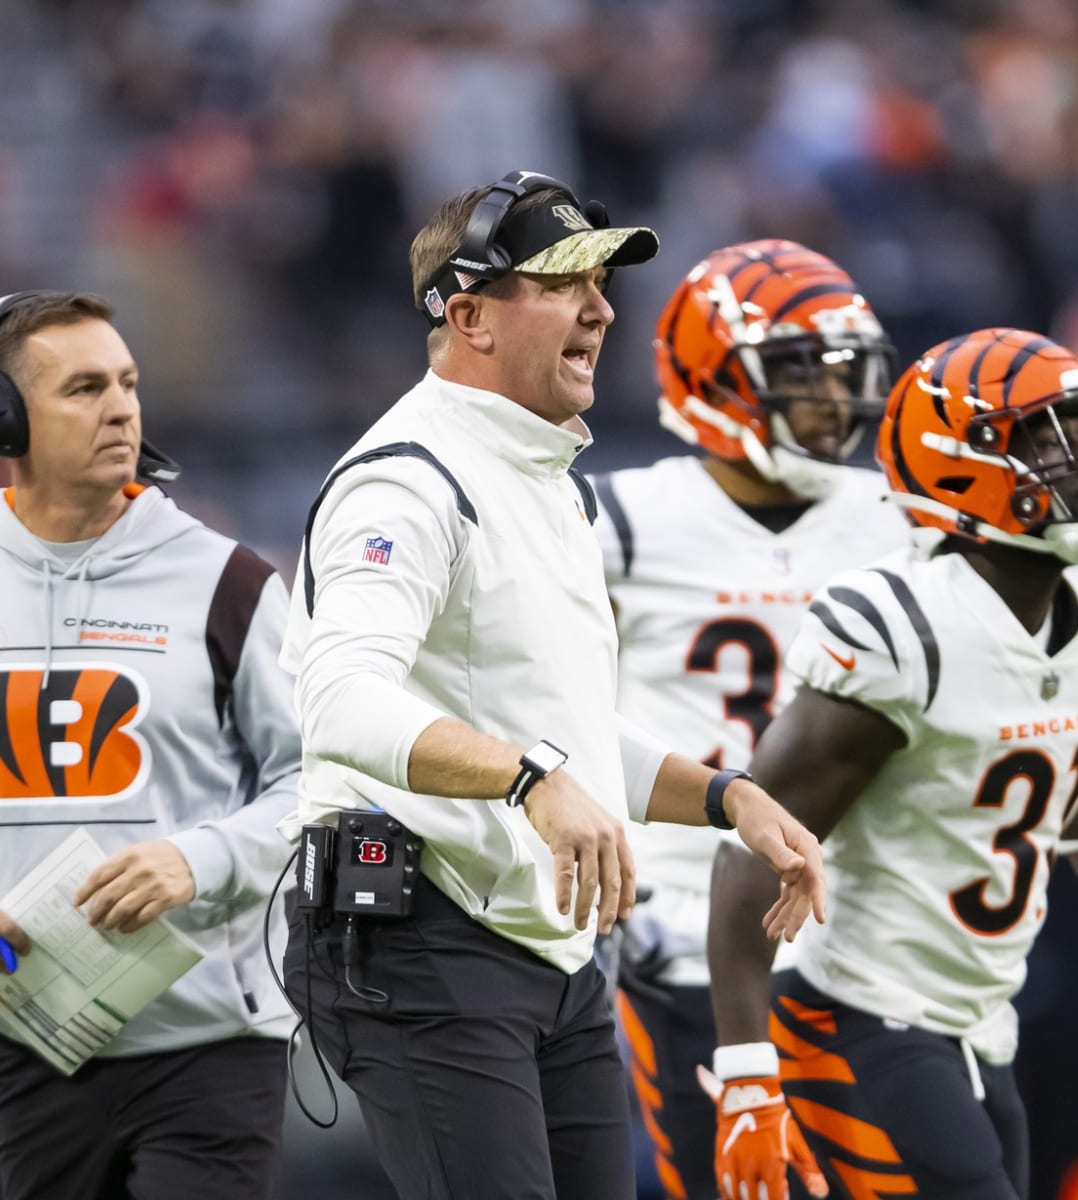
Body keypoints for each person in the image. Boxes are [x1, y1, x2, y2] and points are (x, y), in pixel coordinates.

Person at [277, 170, 828, 1200]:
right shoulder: (405, 478)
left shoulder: (544, 483)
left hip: (550, 949)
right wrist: (530, 779)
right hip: (422, 934)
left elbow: (564, 734)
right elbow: (339, 700)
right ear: (470, 312)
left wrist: (726, 797)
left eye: (603, 282)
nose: (603, 307)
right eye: (565, 280)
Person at [706, 327, 1078, 1200]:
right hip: (853, 1019)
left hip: (979, 1025)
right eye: (1055, 437)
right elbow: (754, 845)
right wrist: (746, 1075)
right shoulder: (906, 632)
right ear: (964, 463)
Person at [592, 239, 910, 1200]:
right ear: (712, 377)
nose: (832, 396)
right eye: (799, 370)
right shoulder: (619, 519)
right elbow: (554, 710)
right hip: (690, 926)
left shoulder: (904, 516)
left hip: (869, 929)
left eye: (844, 368)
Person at [0, 291, 301, 1200]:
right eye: (84, 388)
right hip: (23, 1047)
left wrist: (197, 858)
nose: (122, 407)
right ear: (4, 416)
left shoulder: (229, 579)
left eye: (127, 383)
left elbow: (324, 780)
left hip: (210, 1046)